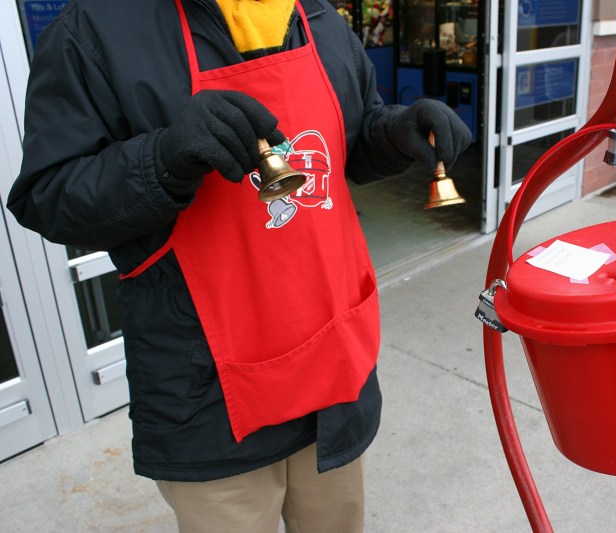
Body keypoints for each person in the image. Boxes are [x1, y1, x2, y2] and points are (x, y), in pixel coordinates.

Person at [6, 0, 472, 531]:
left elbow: (350, 134)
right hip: (208, 390)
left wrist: (393, 133)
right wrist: (163, 159)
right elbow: (48, 196)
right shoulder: (96, 29)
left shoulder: (317, 16)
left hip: (332, 366)